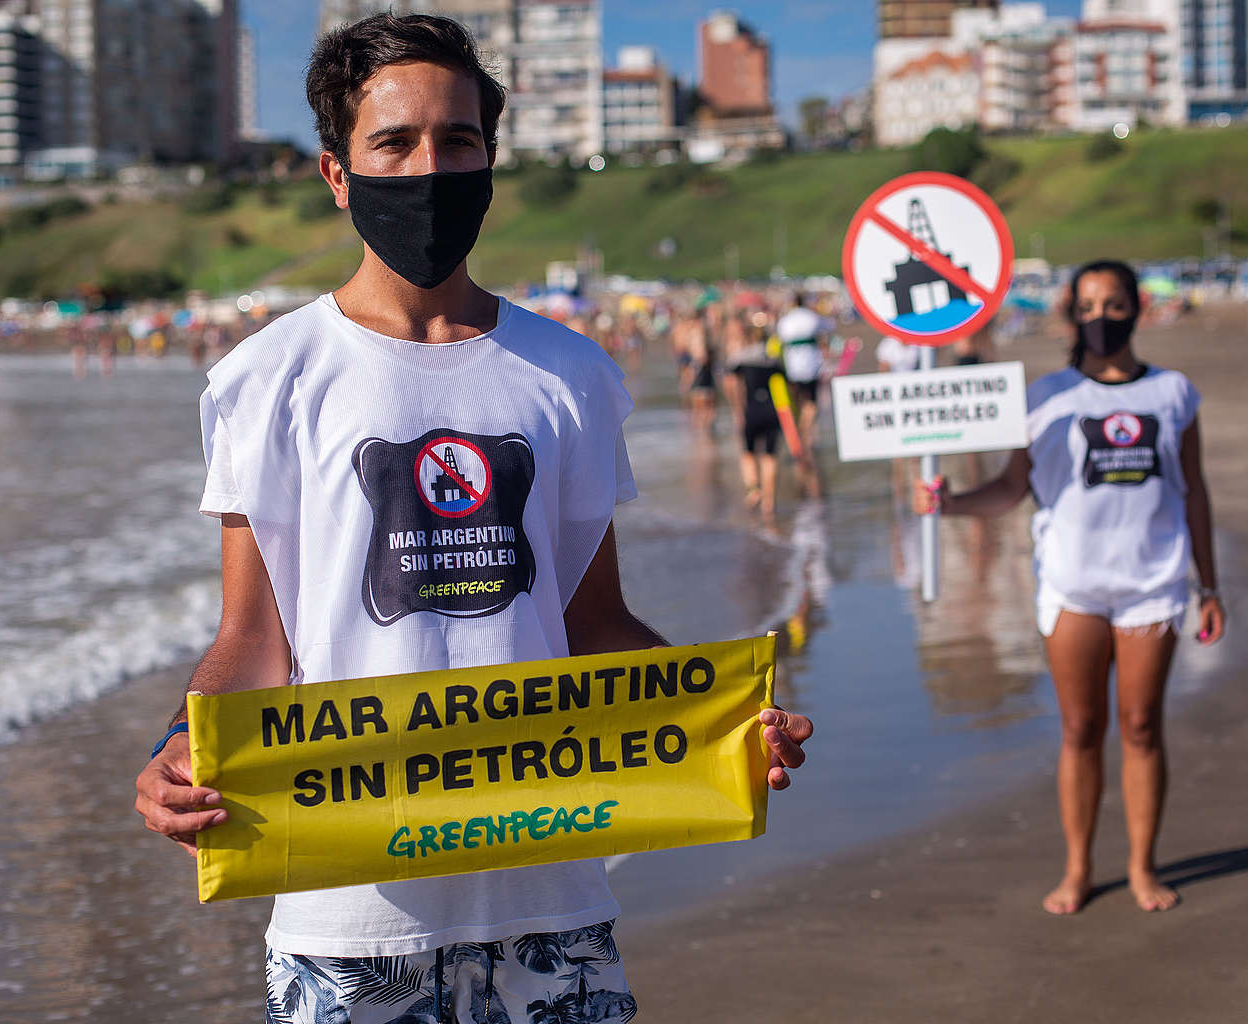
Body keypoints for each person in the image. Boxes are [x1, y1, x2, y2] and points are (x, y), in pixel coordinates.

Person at [132, 15, 812, 1023]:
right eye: (393, 143)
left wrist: (715, 725)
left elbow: (592, 624)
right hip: (348, 909)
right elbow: (252, 638)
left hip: (552, 894)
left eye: (458, 141)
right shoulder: (267, 380)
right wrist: (176, 750)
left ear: (491, 160)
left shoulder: (570, 374)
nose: (429, 167)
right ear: (335, 171)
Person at [914, 259, 1226, 916]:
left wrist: (1210, 585)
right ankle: (1079, 867)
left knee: (1141, 726)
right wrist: (946, 504)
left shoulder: (1173, 393)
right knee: (1081, 727)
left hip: (1153, 584)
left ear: (1137, 309)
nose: (1101, 318)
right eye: (1087, 306)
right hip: (1073, 587)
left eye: (1114, 305)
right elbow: (1009, 488)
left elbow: (1194, 491)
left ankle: (1142, 866)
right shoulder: (1044, 396)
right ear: (1070, 314)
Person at [724, 312, 786, 519]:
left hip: (750, 410)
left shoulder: (740, 358)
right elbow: (788, 387)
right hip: (772, 410)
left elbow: (731, 383)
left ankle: (753, 489)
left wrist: (736, 407)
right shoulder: (774, 360)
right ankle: (769, 503)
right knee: (770, 457)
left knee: (748, 453)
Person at [774, 293, 827, 446]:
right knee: (811, 402)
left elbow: (781, 337)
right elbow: (827, 328)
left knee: (799, 400)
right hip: (810, 365)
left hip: (792, 367)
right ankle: (804, 431)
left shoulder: (785, 320)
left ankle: (804, 430)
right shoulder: (810, 317)